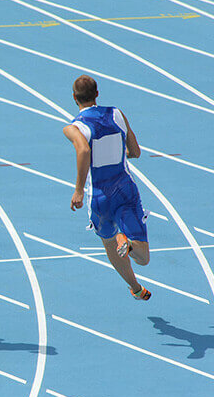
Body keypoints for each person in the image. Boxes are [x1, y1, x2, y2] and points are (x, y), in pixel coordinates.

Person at [64, 75, 151, 300]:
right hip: (125, 189)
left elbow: (83, 151)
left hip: (100, 197)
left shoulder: (74, 127)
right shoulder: (117, 114)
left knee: (109, 243)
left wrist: (79, 190)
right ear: (97, 94)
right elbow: (136, 152)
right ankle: (130, 244)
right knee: (143, 257)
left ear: (74, 97)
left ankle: (135, 286)